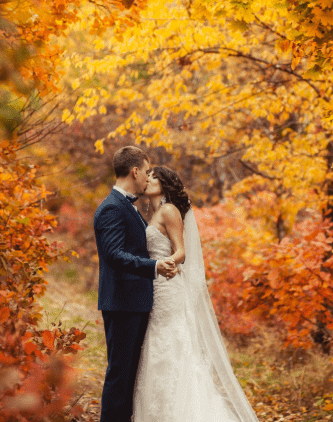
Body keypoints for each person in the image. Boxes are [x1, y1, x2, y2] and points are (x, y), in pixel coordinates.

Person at [133, 165, 259, 422]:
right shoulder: (152, 212)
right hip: (156, 284)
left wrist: (167, 263)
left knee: (170, 344)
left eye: (154, 176)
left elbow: (181, 251)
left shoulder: (169, 210)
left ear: (165, 184)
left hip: (168, 287)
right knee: (157, 345)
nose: (149, 179)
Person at [93, 146, 178, 422]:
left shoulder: (128, 206)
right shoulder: (111, 209)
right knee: (120, 375)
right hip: (123, 304)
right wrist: (153, 266)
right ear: (135, 171)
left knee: (130, 376)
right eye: (146, 171)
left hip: (135, 303)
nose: (147, 178)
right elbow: (114, 255)